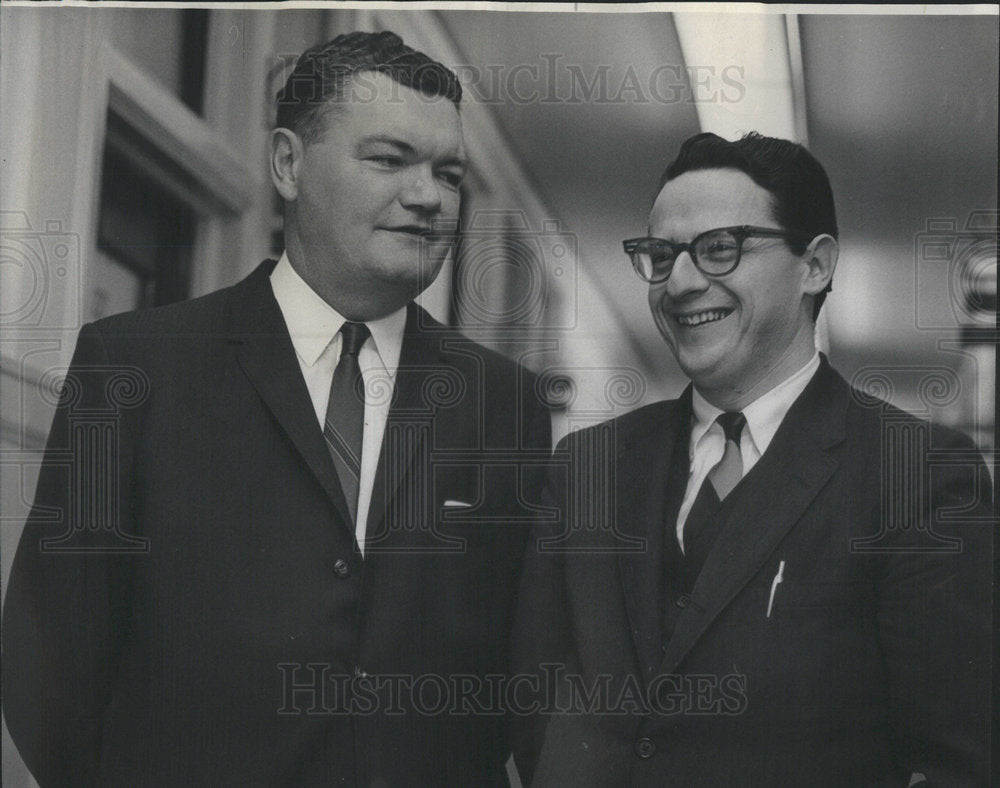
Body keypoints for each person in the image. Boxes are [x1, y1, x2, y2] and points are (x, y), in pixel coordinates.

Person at [3, 31, 550, 786]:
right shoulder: (135, 368)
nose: (428, 196)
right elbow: (46, 660)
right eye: (389, 159)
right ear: (288, 163)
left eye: (448, 173)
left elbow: (526, 678)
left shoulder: (504, 404)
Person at [512, 132, 992, 785]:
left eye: (719, 249)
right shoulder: (585, 469)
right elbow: (535, 707)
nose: (679, 282)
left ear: (815, 265)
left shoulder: (920, 475)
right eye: (661, 254)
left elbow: (956, 759)